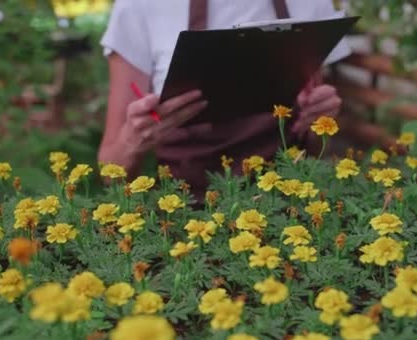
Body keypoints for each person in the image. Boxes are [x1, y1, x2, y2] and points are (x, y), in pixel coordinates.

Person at [98, 0, 350, 199]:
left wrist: (319, 120)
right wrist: (132, 141)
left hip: (292, 200)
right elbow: (110, 172)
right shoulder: (138, 6)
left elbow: (315, 146)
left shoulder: (310, 3)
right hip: (189, 212)